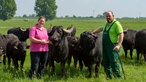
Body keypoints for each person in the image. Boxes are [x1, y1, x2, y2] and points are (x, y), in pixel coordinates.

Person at [92, 11, 124, 79]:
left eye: (109, 16)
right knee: (105, 63)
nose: (108, 17)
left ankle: (118, 78)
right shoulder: (106, 24)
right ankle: (109, 77)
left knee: (114, 63)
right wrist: (93, 32)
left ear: (113, 16)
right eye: (106, 16)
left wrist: (118, 45)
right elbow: (101, 28)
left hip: (113, 46)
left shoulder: (116, 24)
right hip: (105, 46)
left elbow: (121, 34)